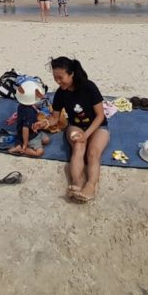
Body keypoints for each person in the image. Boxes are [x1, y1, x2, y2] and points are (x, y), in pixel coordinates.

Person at [45, 57, 108, 203]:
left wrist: (86, 135)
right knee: (78, 148)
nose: (58, 82)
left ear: (71, 74)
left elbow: (100, 116)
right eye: (55, 78)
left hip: (98, 126)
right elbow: (55, 118)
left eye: (61, 77)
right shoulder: (60, 93)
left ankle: (91, 186)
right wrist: (44, 123)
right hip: (76, 126)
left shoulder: (89, 87)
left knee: (93, 153)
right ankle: (76, 183)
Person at [6, 79, 51, 157]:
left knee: (47, 140)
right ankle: (22, 149)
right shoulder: (28, 112)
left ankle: (22, 145)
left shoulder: (22, 105)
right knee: (40, 152)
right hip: (30, 136)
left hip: (36, 131)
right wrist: (25, 144)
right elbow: (25, 129)